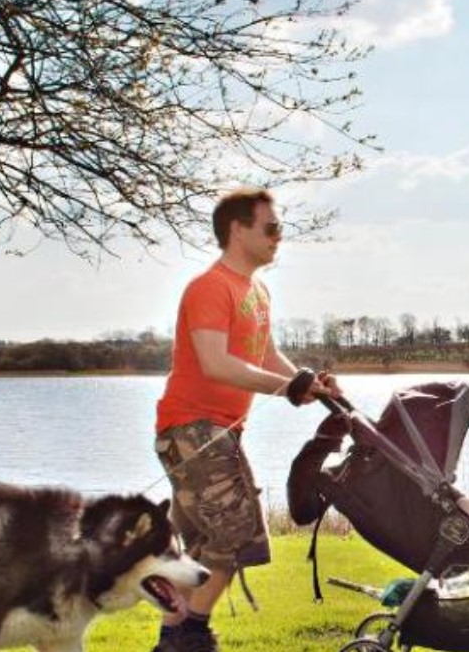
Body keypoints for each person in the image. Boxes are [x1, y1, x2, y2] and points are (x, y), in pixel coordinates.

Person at [152, 188, 339, 652]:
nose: (279, 237)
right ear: (238, 230)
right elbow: (215, 363)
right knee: (236, 534)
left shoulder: (256, 291)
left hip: (220, 433)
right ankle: (192, 633)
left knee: (201, 548)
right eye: (271, 228)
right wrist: (288, 388)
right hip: (192, 429)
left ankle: (173, 637)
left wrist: (305, 382)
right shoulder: (210, 287)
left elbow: (266, 355)